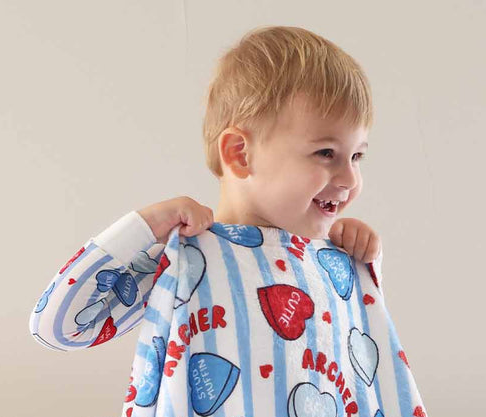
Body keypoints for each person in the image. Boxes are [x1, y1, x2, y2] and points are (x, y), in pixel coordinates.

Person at [29, 27, 381, 355]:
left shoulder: (328, 258)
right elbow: (60, 328)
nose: (350, 179)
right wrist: (144, 227)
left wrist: (363, 265)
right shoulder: (184, 256)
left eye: (357, 156)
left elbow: (358, 365)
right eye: (326, 153)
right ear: (240, 154)